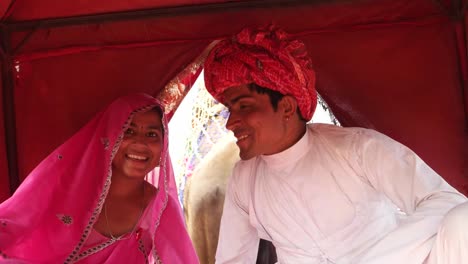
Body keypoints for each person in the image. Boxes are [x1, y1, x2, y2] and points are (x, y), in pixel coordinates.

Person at [203, 25, 468, 264]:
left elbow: (446, 200)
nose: (230, 123)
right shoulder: (244, 179)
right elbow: (233, 259)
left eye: (244, 107)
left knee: (462, 221)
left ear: (285, 107)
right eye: (230, 110)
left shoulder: (356, 148)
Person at [0, 93, 199, 263]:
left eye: (152, 134)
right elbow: (10, 223)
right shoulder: (65, 189)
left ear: (163, 147)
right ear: (108, 137)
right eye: (128, 130)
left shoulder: (160, 207)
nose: (140, 142)